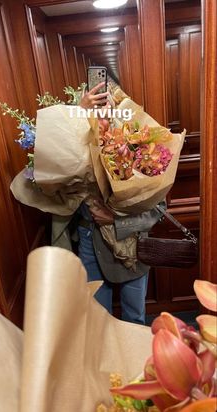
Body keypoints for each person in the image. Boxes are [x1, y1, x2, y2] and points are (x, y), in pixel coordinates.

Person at [72, 82, 165, 325]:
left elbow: (159, 209)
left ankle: (134, 363)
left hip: (131, 244)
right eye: (95, 98)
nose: (102, 104)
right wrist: (79, 115)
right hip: (90, 241)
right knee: (98, 321)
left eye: (108, 97)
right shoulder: (76, 137)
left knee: (135, 318)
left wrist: (116, 219)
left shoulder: (141, 141)